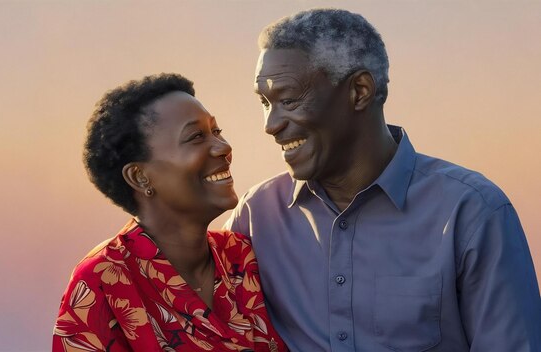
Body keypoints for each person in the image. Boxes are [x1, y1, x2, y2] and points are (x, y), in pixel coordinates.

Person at [225, 8, 540, 352]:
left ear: (360, 91)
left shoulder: (473, 212)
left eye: (288, 100)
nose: (270, 124)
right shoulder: (255, 217)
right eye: (264, 102)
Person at [53, 73, 286, 352]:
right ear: (139, 177)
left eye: (217, 131)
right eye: (196, 137)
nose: (223, 147)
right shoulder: (101, 284)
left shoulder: (244, 256)